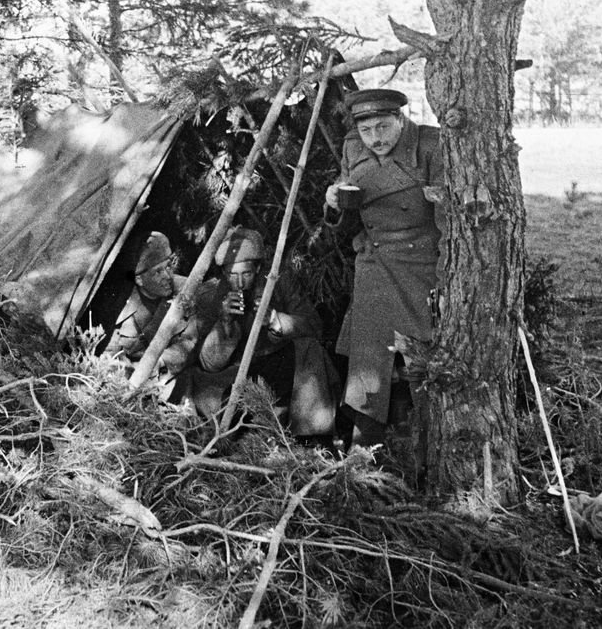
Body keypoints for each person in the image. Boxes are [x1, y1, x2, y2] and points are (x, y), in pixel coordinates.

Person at [323, 89, 445, 448]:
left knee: (419, 364)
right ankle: (365, 450)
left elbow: (451, 223)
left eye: (383, 127)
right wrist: (333, 204)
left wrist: (450, 276)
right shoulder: (353, 149)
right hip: (374, 269)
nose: (375, 138)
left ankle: (423, 450)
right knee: (369, 365)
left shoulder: (429, 147)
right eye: (366, 130)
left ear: (400, 120)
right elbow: (348, 221)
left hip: (420, 269)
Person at [190, 227, 339, 440]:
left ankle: (313, 435)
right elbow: (208, 364)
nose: (240, 283)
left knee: (310, 350)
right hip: (239, 374)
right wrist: (224, 323)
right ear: (223, 273)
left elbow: (313, 326)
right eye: (232, 275)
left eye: (246, 274)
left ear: (258, 268)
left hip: (281, 365)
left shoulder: (280, 282)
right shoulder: (213, 293)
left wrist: (275, 319)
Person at [90, 231, 211, 380]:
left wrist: (159, 361)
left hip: (167, 374)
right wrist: (127, 370)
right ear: (139, 280)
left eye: (168, 266)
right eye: (158, 272)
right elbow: (108, 350)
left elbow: (188, 343)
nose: (167, 276)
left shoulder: (185, 290)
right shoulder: (120, 302)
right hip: (126, 376)